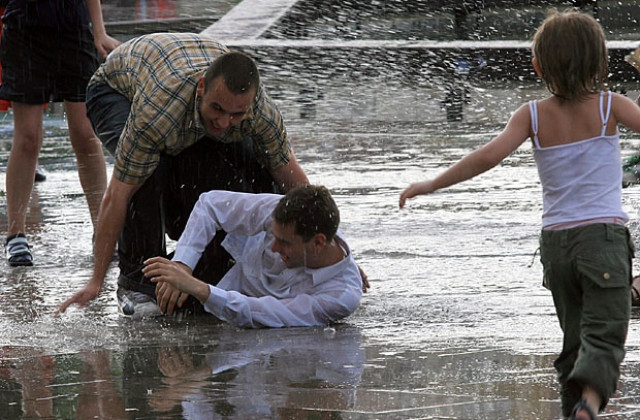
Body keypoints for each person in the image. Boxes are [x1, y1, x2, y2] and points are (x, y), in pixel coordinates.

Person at [399, 10, 640, 420]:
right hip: (602, 239)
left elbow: (486, 157)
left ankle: (574, 411)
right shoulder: (610, 107)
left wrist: (430, 185)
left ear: (537, 65)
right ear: (601, 64)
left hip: (556, 247)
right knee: (605, 332)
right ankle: (592, 403)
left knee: (573, 337)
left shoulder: (530, 115)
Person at [57, 33, 310, 316]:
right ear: (202, 88)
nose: (224, 122)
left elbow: (293, 181)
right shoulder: (157, 113)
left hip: (182, 69)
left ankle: (227, 256)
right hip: (115, 90)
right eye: (217, 108)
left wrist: (334, 255)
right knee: (147, 171)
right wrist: (95, 281)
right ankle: (136, 282)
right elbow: (117, 195)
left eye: (236, 114)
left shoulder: (261, 114)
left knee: (253, 161)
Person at [1, 0, 120, 266]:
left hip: (73, 31)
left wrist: (99, 32)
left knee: (85, 134)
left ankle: (101, 229)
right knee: (28, 137)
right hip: (24, 31)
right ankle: (16, 234)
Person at [141, 185, 363, 328]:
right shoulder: (281, 209)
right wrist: (183, 265)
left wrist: (198, 288)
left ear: (318, 243)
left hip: (223, 305)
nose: (274, 248)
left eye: (284, 242)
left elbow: (267, 314)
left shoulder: (341, 296)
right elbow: (210, 204)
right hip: (221, 256)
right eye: (274, 236)